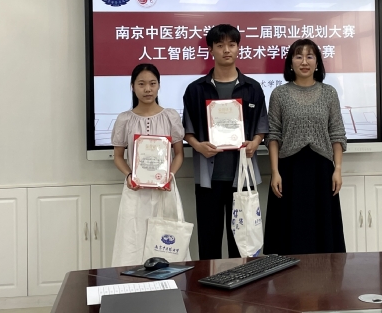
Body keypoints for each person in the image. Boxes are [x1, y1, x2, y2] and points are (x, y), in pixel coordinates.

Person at [183, 24, 269, 260]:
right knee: (208, 240)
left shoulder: (252, 88)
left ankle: (242, 283)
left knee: (242, 244)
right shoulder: (195, 90)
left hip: (242, 177)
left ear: (239, 48)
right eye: (220, 45)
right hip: (208, 179)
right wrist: (198, 146)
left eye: (231, 44)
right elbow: (187, 130)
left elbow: (262, 126)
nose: (226, 50)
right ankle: (210, 284)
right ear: (211, 50)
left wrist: (255, 142)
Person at [263, 39, 347, 255]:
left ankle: (324, 274)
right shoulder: (279, 94)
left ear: (317, 62)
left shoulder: (329, 93)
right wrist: (275, 172)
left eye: (310, 56)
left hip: (322, 171)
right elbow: (273, 136)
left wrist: (337, 169)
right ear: (290, 62)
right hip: (288, 171)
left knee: (322, 230)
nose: (304, 62)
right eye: (298, 56)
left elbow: (337, 133)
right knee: (289, 230)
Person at [111, 63, 187, 266]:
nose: (147, 89)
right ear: (132, 86)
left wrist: (169, 176)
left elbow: (179, 154)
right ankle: (133, 282)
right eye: (141, 84)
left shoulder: (170, 116)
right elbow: (118, 156)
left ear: (159, 86)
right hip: (135, 191)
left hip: (165, 189)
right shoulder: (124, 119)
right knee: (133, 242)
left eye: (152, 84)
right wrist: (129, 175)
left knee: (167, 242)